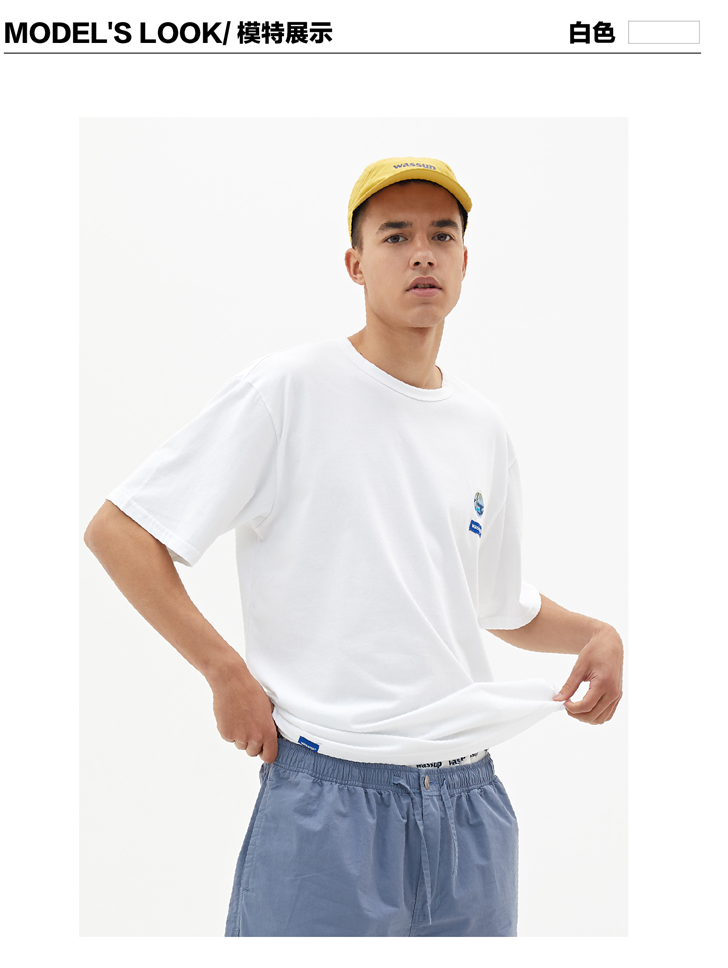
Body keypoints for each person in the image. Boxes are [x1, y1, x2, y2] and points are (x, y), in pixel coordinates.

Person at [84, 155, 624, 937]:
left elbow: (497, 604)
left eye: (441, 235)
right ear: (355, 263)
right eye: (395, 236)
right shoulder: (289, 390)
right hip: (327, 797)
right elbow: (121, 530)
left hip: (468, 806)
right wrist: (223, 669)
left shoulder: (481, 428)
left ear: (464, 262)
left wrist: (596, 634)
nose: (421, 253)